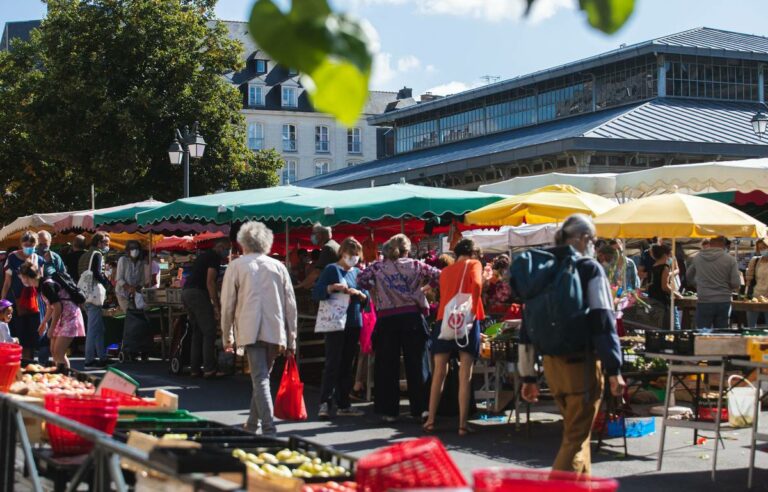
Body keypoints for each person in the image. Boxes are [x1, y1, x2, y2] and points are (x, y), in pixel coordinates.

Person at [518, 214, 624, 476]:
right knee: (575, 441)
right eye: (594, 240)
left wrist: (528, 376)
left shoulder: (543, 268)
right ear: (585, 239)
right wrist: (614, 369)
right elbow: (602, 319)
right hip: (582, 365)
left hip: (552, 368)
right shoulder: (589, 268)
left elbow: (526, 326)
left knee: (578, 435)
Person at [221, 221, 297, 436]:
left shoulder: (236, 266)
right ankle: (252, 424)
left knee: (260, 378)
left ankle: (268, 427)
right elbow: (291, 306)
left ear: (242, 242)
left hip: (250, 328)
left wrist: (227, 336)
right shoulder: (278, 266)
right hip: (275, 330)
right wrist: (291, 340)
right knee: (262, 377)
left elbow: (228, 304)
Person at [358, 234, 441, 423]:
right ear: (407, 249)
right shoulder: (416, 265)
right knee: (417, 363)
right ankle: (421, 409)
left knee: (387, 365)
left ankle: (388, 410)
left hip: (387, 318)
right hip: (412, 317)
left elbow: (361, 280)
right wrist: (424, 289)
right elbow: (439, 275)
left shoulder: (378, 266)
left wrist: (375, 289)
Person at [424, 238, 484, 436]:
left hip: (444, 320)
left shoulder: (446, 271)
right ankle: (462, 424)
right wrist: (474, 309)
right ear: (473, 253)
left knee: (439, 372)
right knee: (465, 374)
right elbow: (476, 283)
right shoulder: (474, 264)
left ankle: (431, 420)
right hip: (466, 319)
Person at [312, 237, 368, 419]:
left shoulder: (358, 273)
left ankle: (344, 402)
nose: (354, 259)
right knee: (332, 362)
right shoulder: (330, 269)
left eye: (357, 256)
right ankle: (325, 402)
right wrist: (331, 288)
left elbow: (367, 297)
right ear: (343, 253)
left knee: (347, 364)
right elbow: (317, 292)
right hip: (335, 321)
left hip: (353, 321)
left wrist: (359, 294)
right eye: (352, 255)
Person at [19, 262, 84, 370]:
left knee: (59, 352)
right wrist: (44, 323)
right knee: (54, 352)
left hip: (70, 317)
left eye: (21, 277)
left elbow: (57, 307)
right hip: (61, 318)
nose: (21, 280)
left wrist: (51, 328)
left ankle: (65, 376)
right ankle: (61, 375)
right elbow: (50, 306)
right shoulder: (41, 286)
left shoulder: (46, 285)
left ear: (26, 277)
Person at [182, 238, 230, 378]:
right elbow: (210, 282)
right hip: (197, 293)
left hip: (187, 292)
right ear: (220, 247)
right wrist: (216, 304)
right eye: (228, 249)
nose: (228, 253)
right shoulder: (214, 257)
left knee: (197, 331)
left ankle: (195, 368)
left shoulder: (204, 255)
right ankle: (209, 368)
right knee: (209, 330)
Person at [2, 232, 45, 361]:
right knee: (16, 332)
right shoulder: (13, 258)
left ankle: (28, 362)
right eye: (26, 245)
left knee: (31, 335)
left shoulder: (39, 259)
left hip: (33, 303)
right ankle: (16, 361)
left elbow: (40, 282)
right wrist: (3, 302)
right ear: (21, 244)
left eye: (31, 245)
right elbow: (7, 282)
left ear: (35, 245)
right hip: (15, 302)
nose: (28, 247)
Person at [687, 236, 741, 330]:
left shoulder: (698, 257)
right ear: (723, 245)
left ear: (710, 243)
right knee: (721, 333)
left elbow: (688, 276)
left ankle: (703, 345)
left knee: (702, 332)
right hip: (723, 300)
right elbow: (736, 283)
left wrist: (698, 285)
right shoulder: (730, 259)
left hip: (704, 299)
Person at [78, 232, 112, 369]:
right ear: (99, 243)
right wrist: (108, 284)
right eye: (106, 243)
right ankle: (89, 360)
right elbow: (98, 274)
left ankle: (102, 357)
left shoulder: (84, 255)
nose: (107, 246)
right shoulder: (97, 254)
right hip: (93, 296)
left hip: (84, 295)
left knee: (98, 328)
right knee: (93, 329)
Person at [648, 244, 681, 329]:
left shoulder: (653, 266)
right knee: (672, 325)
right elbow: (664, 286)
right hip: (662, 300)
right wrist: (677, 294)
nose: (670, 257)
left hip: (653, 297)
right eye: (669, 254)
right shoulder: (664, 268)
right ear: (664, 255)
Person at [296, 224, 340, 289]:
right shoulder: (333, 245)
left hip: (335, 291)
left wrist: (300, 286)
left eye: (314, 233)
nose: (312, 236)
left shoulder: (327, 248)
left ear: (320, 235)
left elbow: (317, 272)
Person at [116, 240, 149, 312]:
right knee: (129, 313)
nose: (135, 250)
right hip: (122, 293)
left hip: (135, 294)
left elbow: (142, 281)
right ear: (128, 250)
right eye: (132, 248)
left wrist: (136, 290)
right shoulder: (123, 260)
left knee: (138, 312)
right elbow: (119, 279)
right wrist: (130, 288)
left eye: (137, 248)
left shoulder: (141, 262)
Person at [744, 238, 768, 327]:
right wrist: (746, 294)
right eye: (761, 248)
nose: (763, 250)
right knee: (750, 326)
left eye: (765, 247)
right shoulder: (755, 261)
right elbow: (749, 280)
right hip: (755, 296)